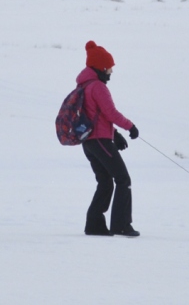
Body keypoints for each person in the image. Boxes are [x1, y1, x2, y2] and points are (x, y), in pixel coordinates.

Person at [77, 41, 139, 237]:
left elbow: (99, 117)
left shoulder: (85, 85)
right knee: (123, 179)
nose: (111, 72)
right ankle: (121, 225)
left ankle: (94, 225)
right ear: (101, 68)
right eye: (109, 68)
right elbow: (110, 113)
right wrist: (130, 126)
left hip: (90, 142)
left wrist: (116, 134)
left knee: (105, 182)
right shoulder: (98, 87)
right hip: (99, 141)